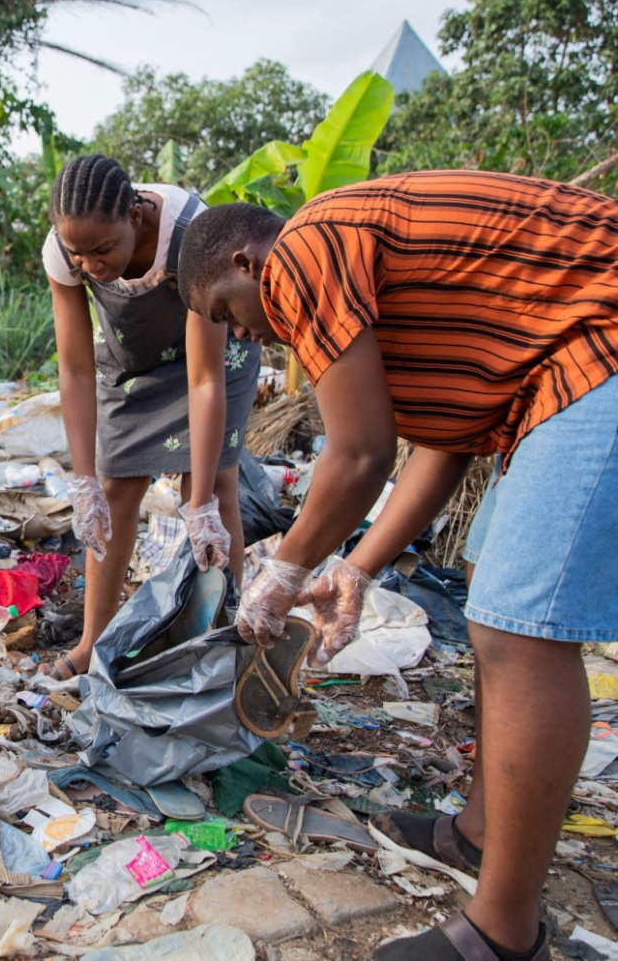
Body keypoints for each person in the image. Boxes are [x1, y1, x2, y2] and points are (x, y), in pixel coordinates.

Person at [177, 170, 618, 961]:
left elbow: (358, 454)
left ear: (245, 262)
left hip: (602, 342)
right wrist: (356, 567)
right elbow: (439, 446)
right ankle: (481, 832)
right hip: (554, 374)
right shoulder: (381, 304)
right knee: (491, 589)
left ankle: (499, 935)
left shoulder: (303, 249)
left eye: (224, 314)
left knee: (517, 633)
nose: (240, 335)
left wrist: (283, 570)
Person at [41, 155, 260, 680]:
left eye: (102, 250)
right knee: (114, 490)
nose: (91, 266)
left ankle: (217, 641)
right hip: (132, 361)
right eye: (78, 254)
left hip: (211, 356)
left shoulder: (191, 234)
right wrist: (83, 478)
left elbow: (204, 379)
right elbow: (73, 367)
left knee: (212, 489)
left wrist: (202, 503)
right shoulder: (63, 252)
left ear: (136, 216)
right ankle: (95, 641)